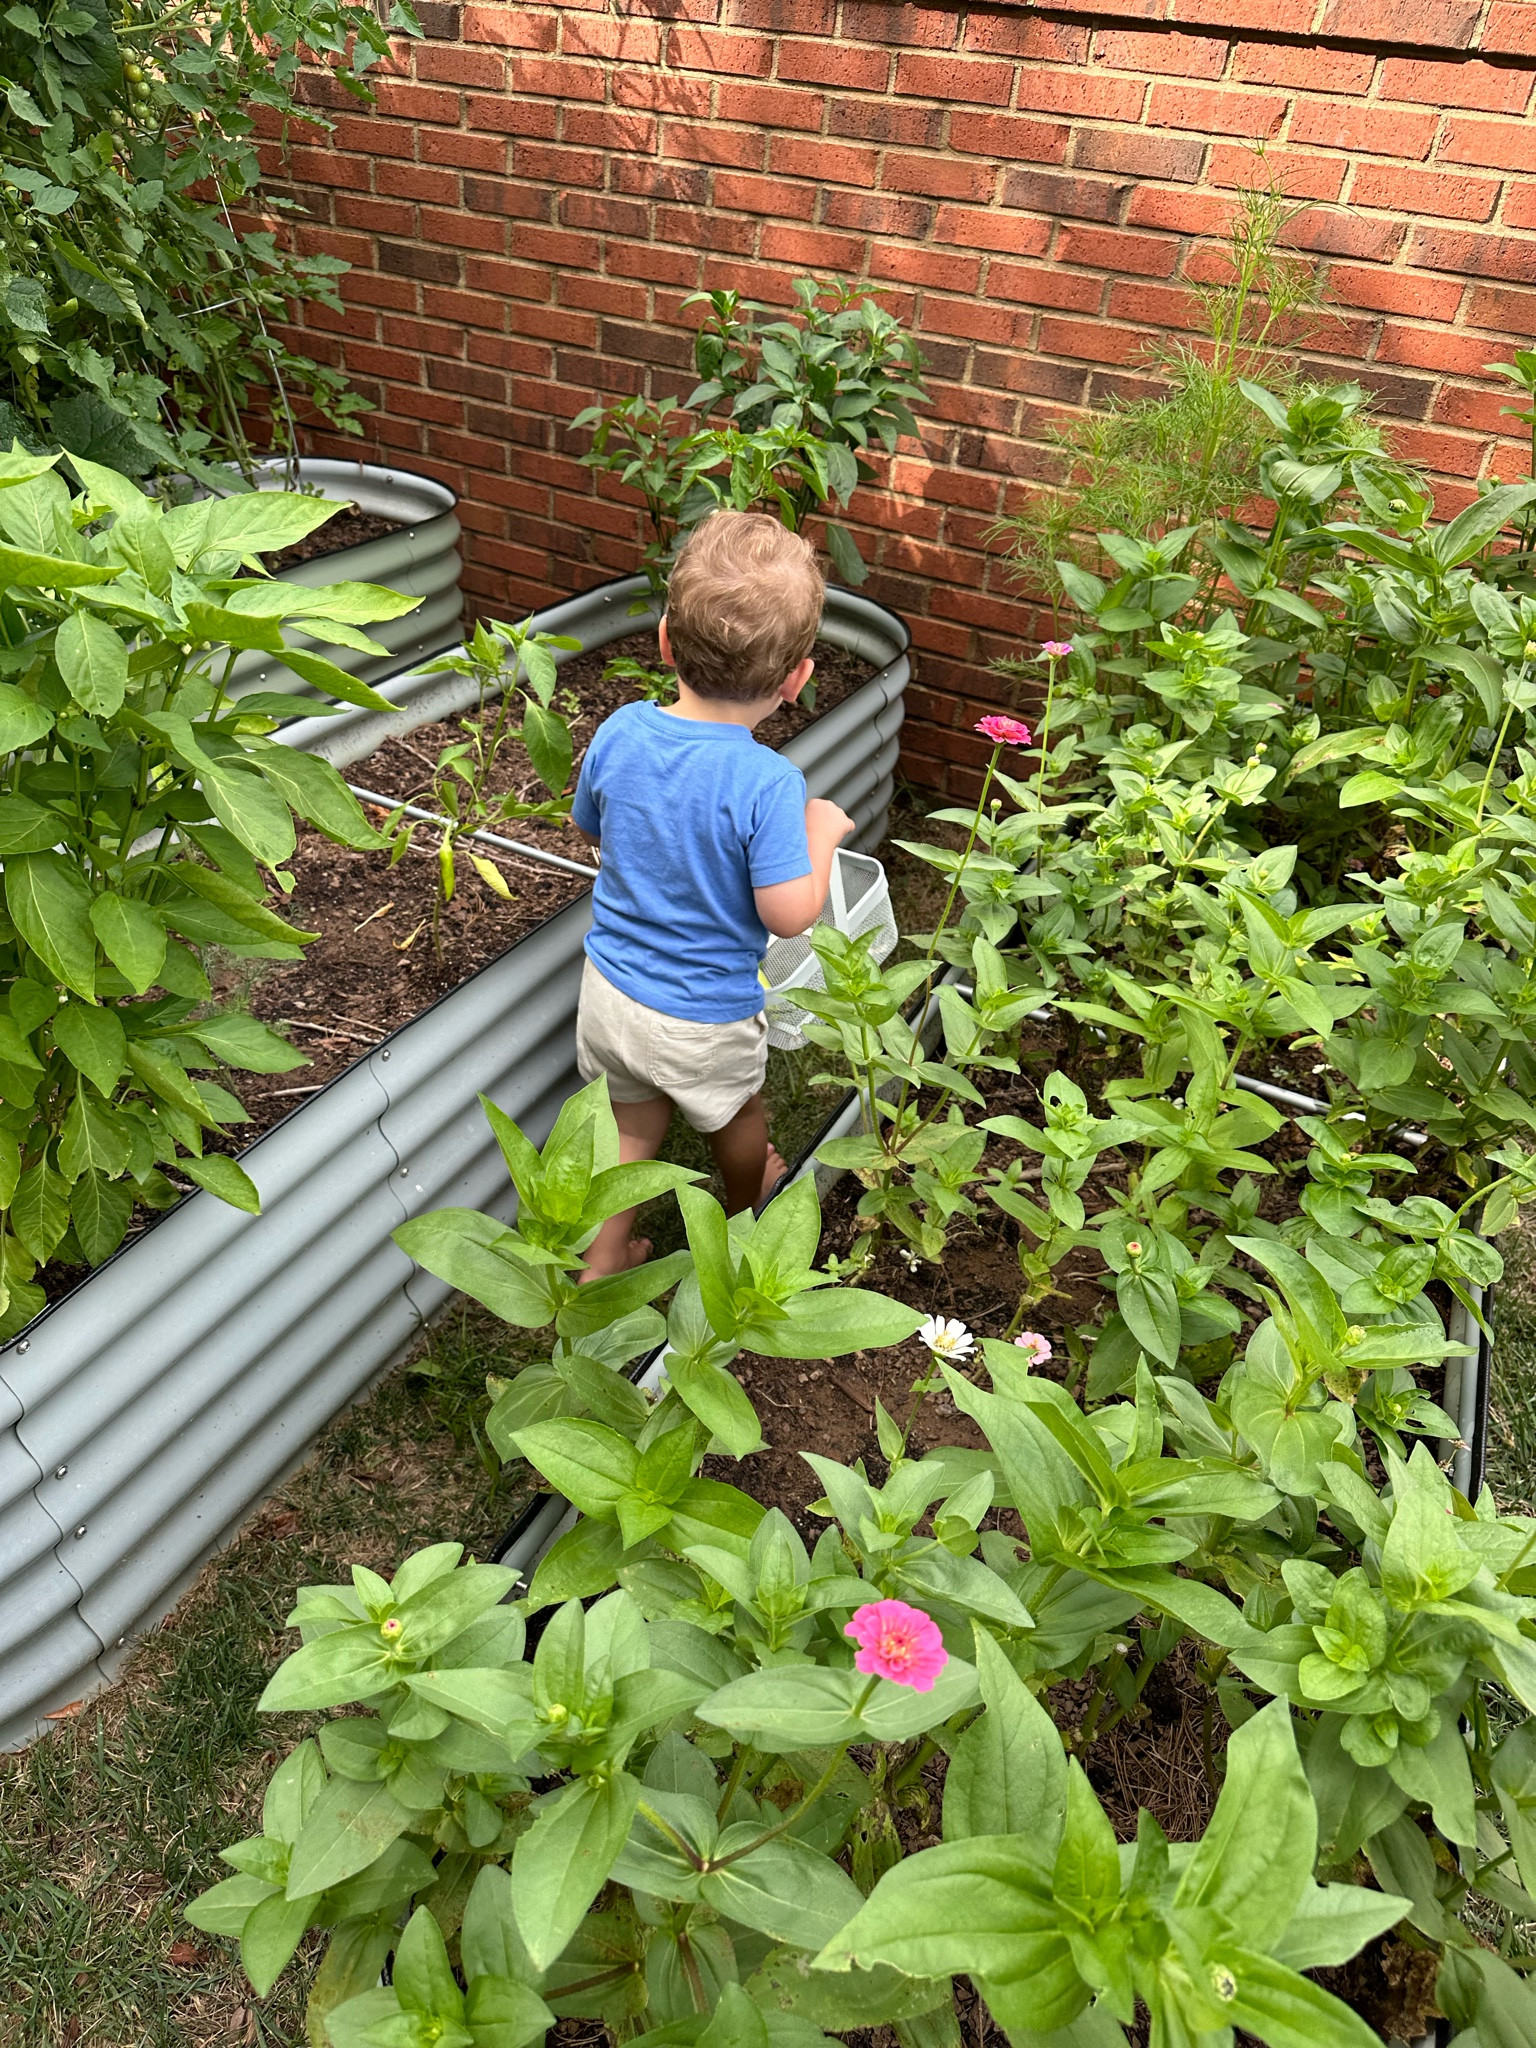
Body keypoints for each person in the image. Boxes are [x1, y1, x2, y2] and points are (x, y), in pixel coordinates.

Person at [570, 509, 854, 1278]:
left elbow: (591, 823)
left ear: (664, 642)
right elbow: (790, 913)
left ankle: (600, 1260)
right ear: (797, 680)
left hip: (610, 994)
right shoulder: (768, 783)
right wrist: (821, 832)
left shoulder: (622, 730)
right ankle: (743, 1205)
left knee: (629, 1131)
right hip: (701, 1016)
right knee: (736, 1116)